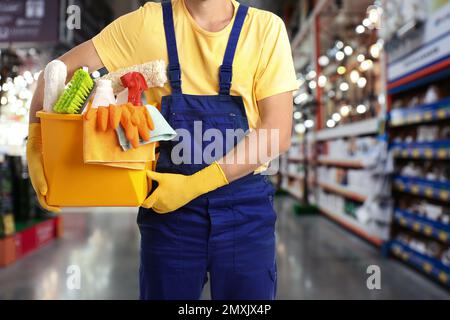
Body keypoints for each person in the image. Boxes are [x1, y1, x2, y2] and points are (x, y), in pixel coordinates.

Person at [27, 0, 298, 300]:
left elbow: (277, 130)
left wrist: (197, 184)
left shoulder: (264, 29)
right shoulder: (146, 24)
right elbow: (55, 72)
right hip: (169, 211)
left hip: (244, 212)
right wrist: (37, 146)